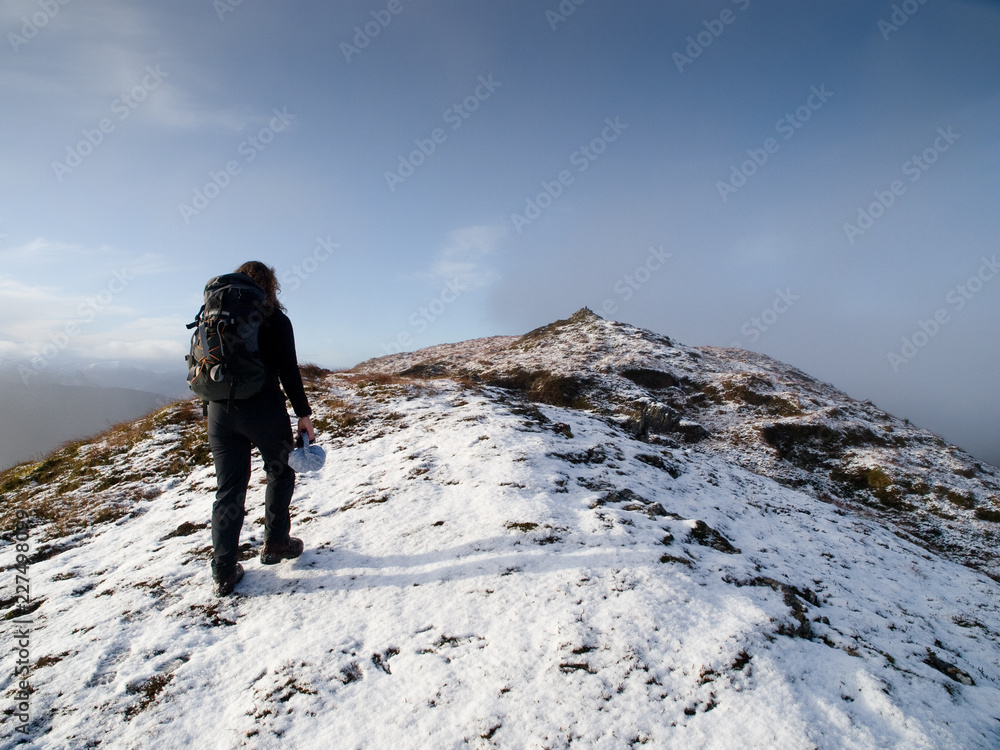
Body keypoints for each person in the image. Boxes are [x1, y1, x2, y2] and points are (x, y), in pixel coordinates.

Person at [207, 261, 316, 596]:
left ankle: (224, 570)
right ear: (270, 286)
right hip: (263, 408)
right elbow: (289, 371)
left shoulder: (215, 316)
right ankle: (276, 543)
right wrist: (303, 413)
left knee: (229, 489)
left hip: (219, 412)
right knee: (280, 472)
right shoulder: (276, 320)